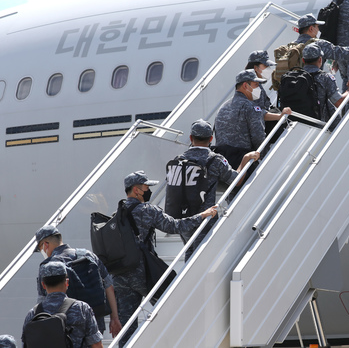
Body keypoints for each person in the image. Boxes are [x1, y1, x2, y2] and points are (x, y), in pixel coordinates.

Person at [115, 170, 218, 346]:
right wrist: (203, 215)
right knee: (172, 304)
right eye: (146, 187)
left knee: (127, 327)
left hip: (120, 276)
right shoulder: (147, 210)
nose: (148, 190)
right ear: (136, 190)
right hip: (142, 273)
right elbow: (175, 226)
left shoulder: (117, 213)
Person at [166, 119, 260, 260]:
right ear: (211, 139)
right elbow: (236, 181)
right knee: (203, 258)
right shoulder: (215, 160)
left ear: (191, 138)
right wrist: (245, 159)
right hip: (205, 218)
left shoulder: (179, 159)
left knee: (190, 254)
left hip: (183, 218)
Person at [33, 225, 122, 338]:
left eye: (40, 248)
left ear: (46, 244)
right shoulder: (88, 255)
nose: (42, 251)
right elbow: (109, 285)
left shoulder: (49, 266)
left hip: (67, 326)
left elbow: (42, 299)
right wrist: (114, 318)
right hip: (96, 322)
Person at [22, 261, 103, 348]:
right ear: (67, 282)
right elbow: (96, 344)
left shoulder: (33, 314)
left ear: (43, 285)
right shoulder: (82, 308)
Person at [214, 69, 268, 169]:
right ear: (245, 86)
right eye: (256, 84)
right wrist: (264, 157)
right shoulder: (250, 107)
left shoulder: (222, 107)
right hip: (243, 162)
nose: (259, 88)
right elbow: (258, 137)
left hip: (222, 163)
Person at [292, 43, 349, 123]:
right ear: (320, 60)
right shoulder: (324, 77)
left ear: (303, 60)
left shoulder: (294, 76)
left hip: (296, 122)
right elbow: (339, 102)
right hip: (319, 124)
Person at [244, 50, 292, 122]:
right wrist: (279, 116)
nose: (268, 69)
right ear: (255, 68)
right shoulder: (252, 86)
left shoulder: (253, 83)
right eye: (266, 66)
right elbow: (259, 113)